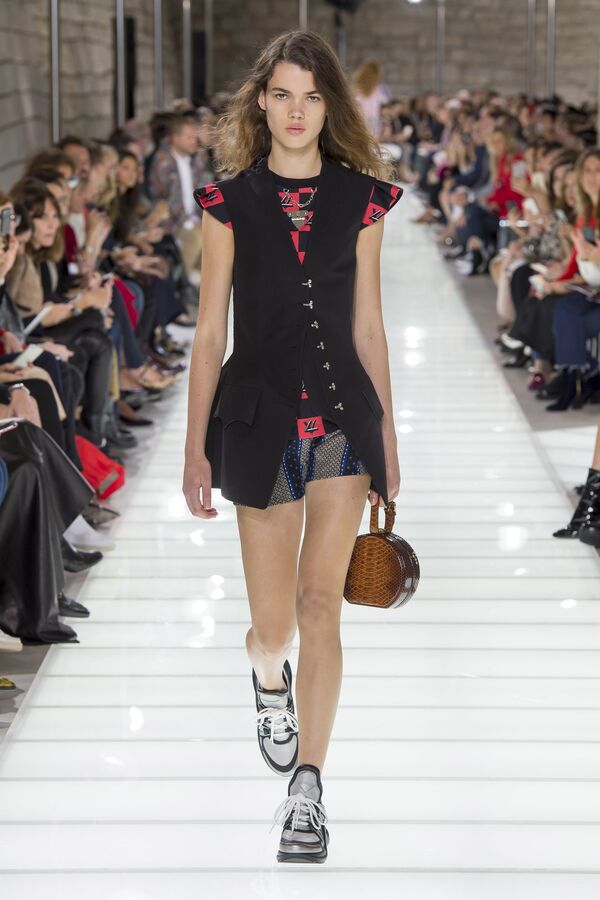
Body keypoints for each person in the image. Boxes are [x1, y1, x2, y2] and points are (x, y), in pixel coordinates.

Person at [183, 30, 402, 864]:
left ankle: (307, 790)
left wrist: (387, 438)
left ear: (329, 104)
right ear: (262, 103)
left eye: (311, 96)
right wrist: (195, 449)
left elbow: (369, 325)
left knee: (320, 608)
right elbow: (209, 333)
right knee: (273, 626)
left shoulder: (364, 200)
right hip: (257, 421)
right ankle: (266, 674)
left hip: (342, 426)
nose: (297, 111)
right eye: (282, 94)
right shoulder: (228, 202)